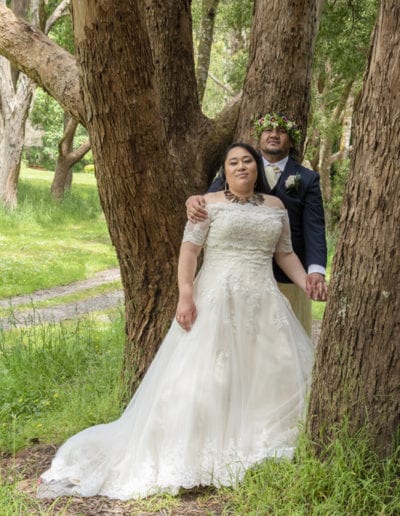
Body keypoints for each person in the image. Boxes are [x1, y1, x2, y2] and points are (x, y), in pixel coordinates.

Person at [37, 142, 314, 501]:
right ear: (225, 172)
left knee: (266, 371)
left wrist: (307, 281)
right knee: (206, 375)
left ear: (257, 169)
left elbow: (285, 253)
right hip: (216, 300)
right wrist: (186, 295)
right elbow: (189, 251)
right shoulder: (207, 205)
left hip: (263, 304)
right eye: (233, 162)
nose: (242, 166)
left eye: (248, 160)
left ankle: (258, 442)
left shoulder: (276, 207)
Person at [186, 113, 328, 335]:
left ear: (291, 140)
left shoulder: (306, 178)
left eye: (281, 131)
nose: (274, 135)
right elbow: (209, 202)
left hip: (287, 276)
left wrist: (314, 272)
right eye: (268, 130)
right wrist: (191, 200)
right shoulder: (239, 166)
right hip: (227, 284)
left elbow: (314, 227)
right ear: (259, 137)